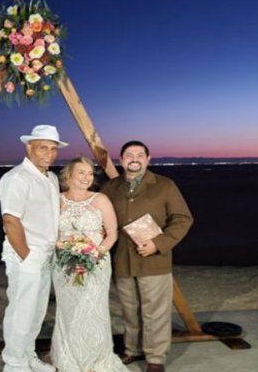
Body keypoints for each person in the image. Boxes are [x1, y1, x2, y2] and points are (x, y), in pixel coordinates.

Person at [102, 141, 193, 372]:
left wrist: (158, 243)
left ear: (148, 159)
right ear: (121, 160)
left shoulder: (165, 185)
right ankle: (133, 350)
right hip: (123, 258)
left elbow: (183, 219)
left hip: (154, 259)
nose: (135, 158)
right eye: (129, 155)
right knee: (130, 310)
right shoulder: (110, 188)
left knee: (155, 311)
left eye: (140, 155)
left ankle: (156, 358)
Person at [0, 125, 68, 372]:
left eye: (53, 149)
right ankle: (14, 363)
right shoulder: (16, 178)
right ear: (29, 147)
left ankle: (27, 356)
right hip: (26, 253)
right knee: (20, 310)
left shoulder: (50, 178)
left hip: (47, 254)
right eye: (43, 148)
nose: (49, 153)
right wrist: (26, 257)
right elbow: (10, 220)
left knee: (37, 310)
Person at [50, 157, 128, 372]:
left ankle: (94, 361)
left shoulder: (100, 199)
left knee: (92, 308)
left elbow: (112, 233)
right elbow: (49, 232)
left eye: (90, 173)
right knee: (68, 310)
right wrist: (63, 248)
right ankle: (69, 358)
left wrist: (95, 254)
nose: (87, 177)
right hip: (64, 264)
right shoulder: (55, 200)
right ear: (68, 176)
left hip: (96, 263)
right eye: (81, 172)